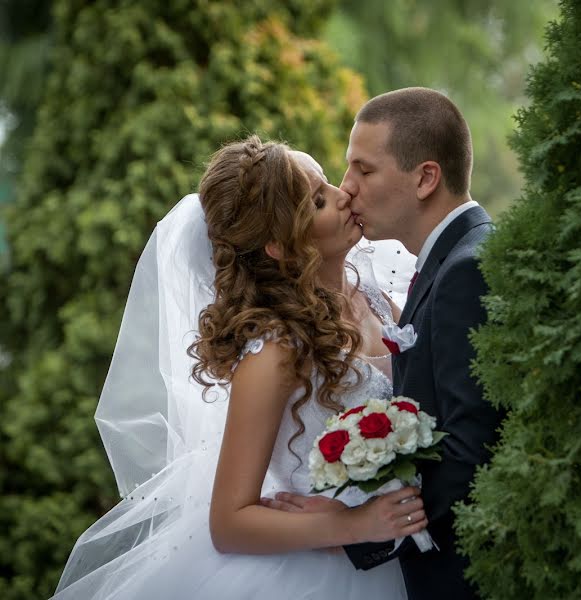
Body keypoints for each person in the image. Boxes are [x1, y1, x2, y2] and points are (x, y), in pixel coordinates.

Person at [53, 135, 426, 599]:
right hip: (334, 569)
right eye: (318, 200)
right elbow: (229, 523)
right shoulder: (277, 353)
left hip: (410, 542)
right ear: (280, 246)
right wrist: (353, 525)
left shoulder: (370, 288)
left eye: (328, 183)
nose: (343, 194)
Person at [271, 87, 503, 599]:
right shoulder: (449, 261)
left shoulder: (465, 271)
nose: (347, 189)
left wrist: (357, 532)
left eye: (364, 169)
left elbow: (471, 453)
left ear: (425, 178)